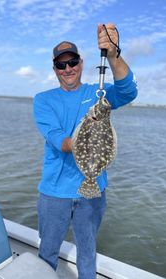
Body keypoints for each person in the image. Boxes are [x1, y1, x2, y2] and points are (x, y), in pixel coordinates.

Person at [33, 23, 138, 279]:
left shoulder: (98, 94)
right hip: (54, 192)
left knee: (88, 252)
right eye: (61, 65)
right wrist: (82, 141)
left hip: (93, 191)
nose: (68, 69)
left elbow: (128, 91)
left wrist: (113, 54)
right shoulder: (43, 100)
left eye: (73, 62)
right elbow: (58, 139)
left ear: (81, 63)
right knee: (47, 250)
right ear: (55, 69)